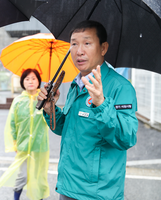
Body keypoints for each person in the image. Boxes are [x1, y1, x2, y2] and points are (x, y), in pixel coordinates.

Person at [37, 20, 138, 200]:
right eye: (74, 43)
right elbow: (66, 128)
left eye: (87, 43)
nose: (79, 51)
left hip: (98, 193)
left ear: (103, 48)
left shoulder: (120, 88)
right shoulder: (77, 85)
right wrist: (50, 109)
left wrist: (102, 104)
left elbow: (126, 138)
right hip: (68, 187)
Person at [0, 69, 50, 200]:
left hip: (39, 145)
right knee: (23, 176)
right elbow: (12, 123)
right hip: (23, 146)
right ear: (22, 82)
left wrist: (48, 103)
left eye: (33, 78)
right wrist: (14, 142)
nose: (30, 81)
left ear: (38, 81)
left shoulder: (44, 100)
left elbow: (51, 120)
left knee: (39, 176)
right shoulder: (18, 100)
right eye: (27, 79)